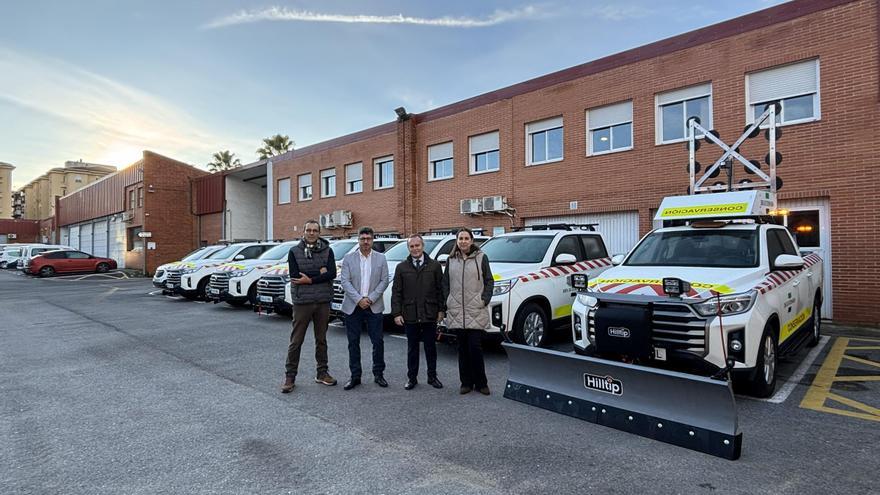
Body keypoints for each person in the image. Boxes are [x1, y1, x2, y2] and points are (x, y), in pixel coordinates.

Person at [281, 220, 338, 393]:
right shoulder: (294, 251)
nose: (311, 233)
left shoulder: (328, 250)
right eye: (309, 230)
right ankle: (290, 377)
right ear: (303, 232)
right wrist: (320, 272)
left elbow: (332, 273)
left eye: (315, 230)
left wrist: (310, 279)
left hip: (322, 301)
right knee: (296, 340)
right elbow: (295, 275)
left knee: (321, 340)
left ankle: (322, 373)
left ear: (319, 232)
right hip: (302, 302)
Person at [442, 228, 494, 395]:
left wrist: (484, 299)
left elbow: (489, 281)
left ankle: (481, 383)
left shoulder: (481, 258)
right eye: (460, 238)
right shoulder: (451, 260)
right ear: (456, 241)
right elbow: (445, 284)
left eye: (466, 238)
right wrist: (447, 301)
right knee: (462, 349)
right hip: (457, 310)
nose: (463, 241)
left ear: (472, 240)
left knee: (475, 348)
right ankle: (465, 382)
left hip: (475, 309)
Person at [391, 235, 445, 391]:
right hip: (410, 314)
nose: (415, 249)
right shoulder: (401, 267)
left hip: (430, 313)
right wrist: (396, 313)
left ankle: (432, 377)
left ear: (423, 246)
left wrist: (441, 310)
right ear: (409, 248)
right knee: (412, 348)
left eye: (417, 245)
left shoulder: (434, 266)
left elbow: (440, 290)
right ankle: (412, 378)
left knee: (430, 348)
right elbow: (397, 293)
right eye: (412, 246)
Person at [339, 227, 390, 390]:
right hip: (353, 306)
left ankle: (378, 374)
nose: (366, 241)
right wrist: (359, 299)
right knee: (353, 342)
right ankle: (355, 376)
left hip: (373, 306)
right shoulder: (348, 258)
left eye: (368, 238)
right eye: (363, 239)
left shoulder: (381, 258)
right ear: (358, 240)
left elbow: (384, 280)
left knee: (378, 342)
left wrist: (371, 298)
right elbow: (345, 281)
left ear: (373, 240)